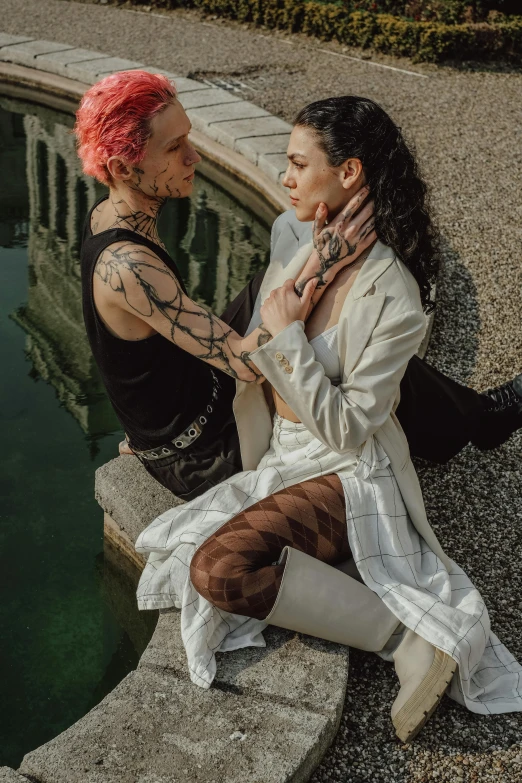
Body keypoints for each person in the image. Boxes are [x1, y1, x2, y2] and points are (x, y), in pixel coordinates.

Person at [135, 96, 522, 742]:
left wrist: (287, 335)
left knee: (216, 568)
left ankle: (403, 637)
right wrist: (278, 327)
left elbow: (348, 428)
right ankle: (384, 618)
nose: (284, 178)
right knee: (175, 547)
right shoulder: (294, 237)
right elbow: (256, 356)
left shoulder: (396, 296)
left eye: (296, 163)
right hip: (286, 456)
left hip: (348, 472)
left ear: (350, 174)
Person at [75, 70, 376, 501]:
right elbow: (247, 365)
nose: (194, 157)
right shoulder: (128, 266)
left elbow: (126, 359)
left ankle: (472, 416)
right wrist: (324, 261)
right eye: (175, 147)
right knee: (342, 332)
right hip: (203, 451)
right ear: (123, 167)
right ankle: (477, 420)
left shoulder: (105, 215)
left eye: (187, 139)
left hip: (199, 386)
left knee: (275, 282)